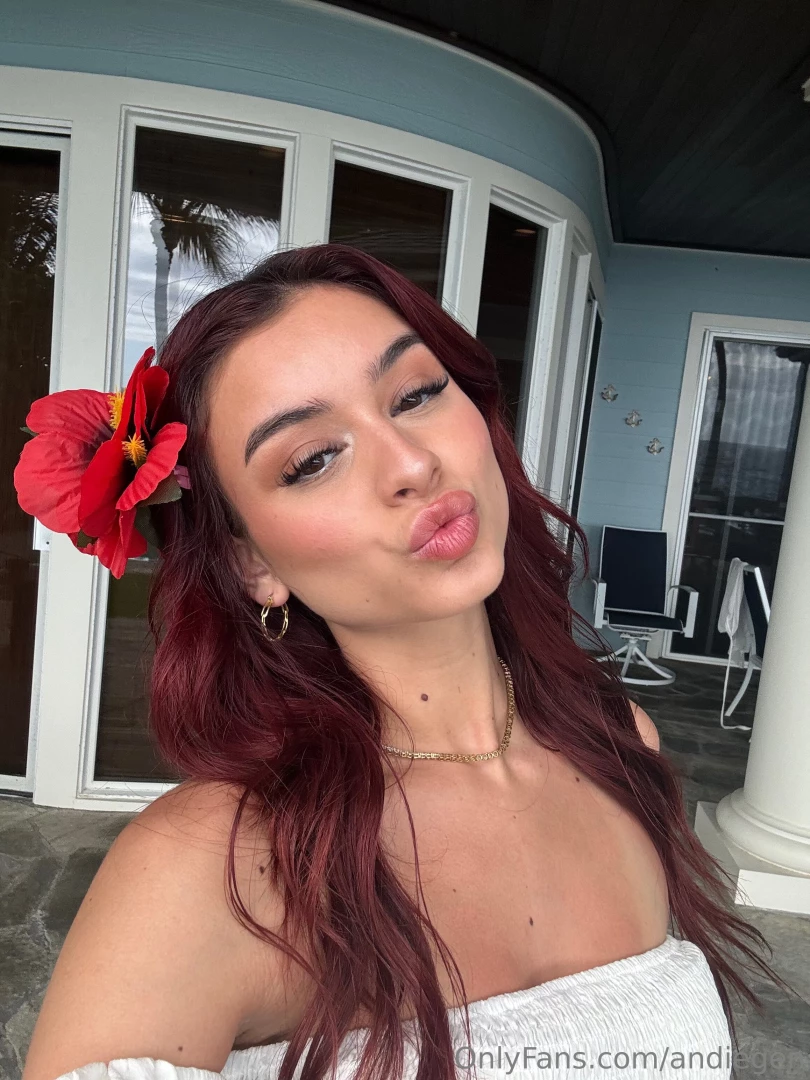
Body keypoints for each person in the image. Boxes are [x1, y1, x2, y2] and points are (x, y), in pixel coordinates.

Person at [18, 244, 793, 1080]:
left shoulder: (621, 742)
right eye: (312, 459)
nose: (413, 464)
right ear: (252, 564)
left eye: (417, 394)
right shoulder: (214, 869)